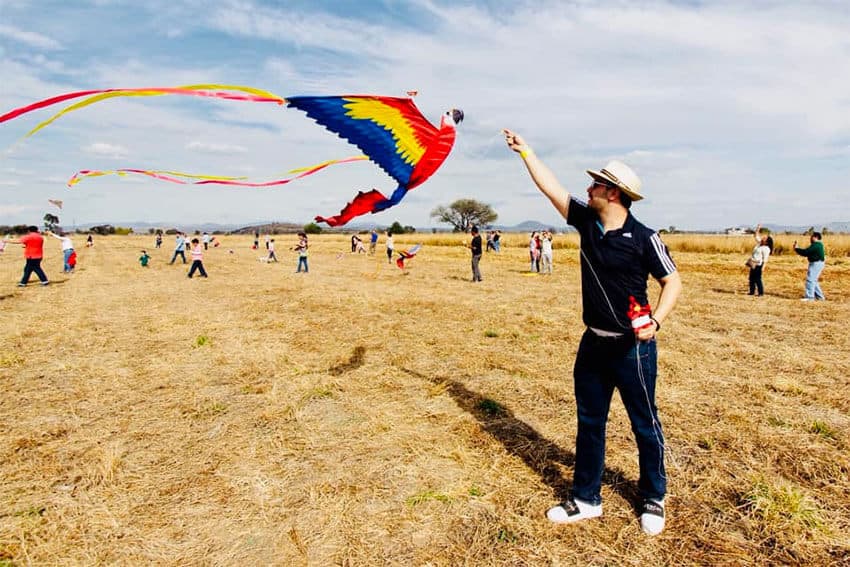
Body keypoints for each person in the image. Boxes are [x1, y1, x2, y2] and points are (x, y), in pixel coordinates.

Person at [503, 129, 682, 536]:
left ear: (614, 193)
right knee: (589, 421)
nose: (589, 187)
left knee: (644, 423)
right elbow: (552, 189)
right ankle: (586, 499)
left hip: (632, 348)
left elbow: (672, 282)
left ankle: (653, 495)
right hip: (592, 345)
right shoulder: (587, 221)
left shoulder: (645, 239)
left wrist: (655, 322)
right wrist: (526, 152)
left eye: (596, 184)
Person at [794, 232, 826, 301]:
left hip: (816, 263)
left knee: (810, 280)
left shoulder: (816, 245)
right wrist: (797, 249)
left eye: (811, 237)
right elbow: (807, 252)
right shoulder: (818, 245)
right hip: (818, 263)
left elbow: (806, 252)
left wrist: (796, 249)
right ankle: (820, 297)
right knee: (814, 281)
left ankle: (809, 297)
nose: (810, 238)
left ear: (815, 237)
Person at [747, 224, 772, 296]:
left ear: (767, 241)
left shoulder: (766, 248)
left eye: (765, 238)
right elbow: (755, 235)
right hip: (753, 263)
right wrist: (758, 228)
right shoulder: (759, 244)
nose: (763, 238)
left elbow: (765, 259)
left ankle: (761, 293)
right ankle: (752, 292)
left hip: (758, 265)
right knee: (751, 278)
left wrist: (763, 267)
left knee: (757, 279)